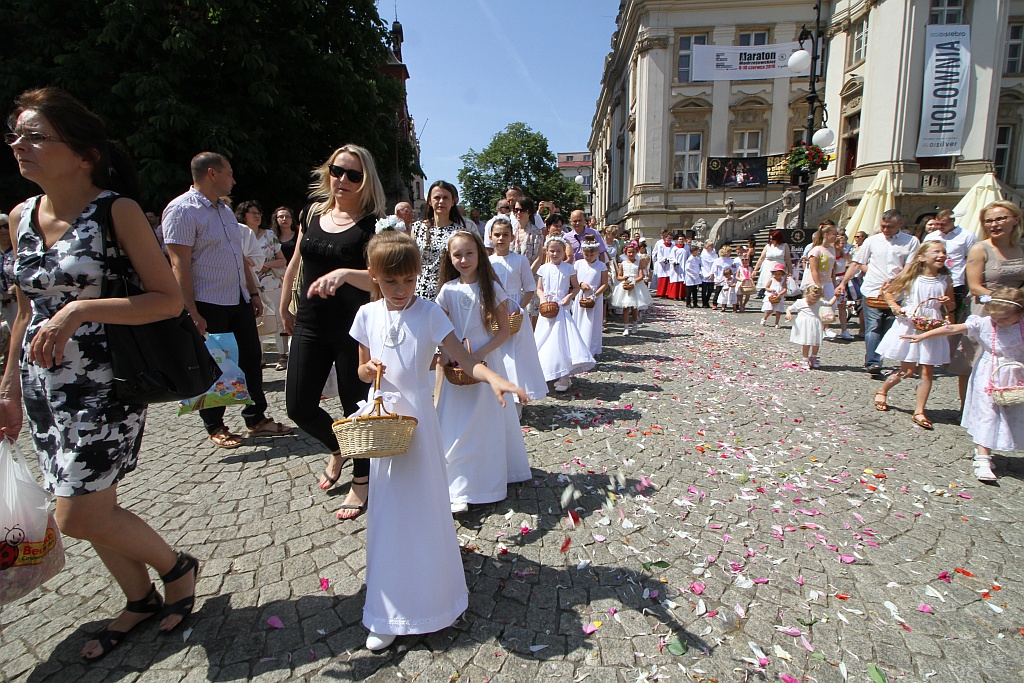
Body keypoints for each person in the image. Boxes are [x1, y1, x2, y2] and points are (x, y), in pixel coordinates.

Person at [0, 87, 197, 660]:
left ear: (83, 153)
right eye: (16, 133)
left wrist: (80, 308)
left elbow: (166, 300)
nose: (19, 144)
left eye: (36, 136)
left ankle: (176, 567)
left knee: (78, 512)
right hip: (42, 389)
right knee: (92, 507)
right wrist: (9, 387)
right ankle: (139, 598)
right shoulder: (20, 217)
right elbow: (23, 311)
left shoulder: (117, 211)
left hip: (103, 384)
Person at [350, 231, 525, 650]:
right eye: (391, 282)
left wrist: (496, 378)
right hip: (384, 425)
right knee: (388, 512)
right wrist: (369, 367)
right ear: (375, 276)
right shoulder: (367, 315)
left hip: (421, 427)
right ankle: (387, 610)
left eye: (408, 281)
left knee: (427, 508)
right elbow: (358, 371)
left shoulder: (429, 312)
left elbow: (463, 359)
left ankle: (436, 600)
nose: (400, 289)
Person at [278, 144, 382, 520]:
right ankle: (339, 448)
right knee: (299, 406)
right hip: (309, 320)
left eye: (354, 175)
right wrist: (284, 304)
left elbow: (381, 278)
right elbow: (297, 260)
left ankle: (362, 478)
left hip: (353, 327)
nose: (343, 180)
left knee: (356, 408)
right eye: (338, 171)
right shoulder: (313, 211)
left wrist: (344, 274)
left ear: (366, 180)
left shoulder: (374, 223)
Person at [163, 153, 291, 448]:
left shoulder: (223, 211)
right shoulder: (182, 210)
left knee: (251, 360)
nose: (233, 180)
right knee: (214, 364)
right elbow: (179, 264)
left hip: (238, 299)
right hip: (207, 302)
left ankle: (256, 418)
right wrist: (191, 311)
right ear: (211, 173)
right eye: (229, 174)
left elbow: (239, 258)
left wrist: (254, 292)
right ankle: (214, 424)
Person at [435, 230, 529, 513]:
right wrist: (450, 354)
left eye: (469, 253)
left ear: (479, 254)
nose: (464, 259)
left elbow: (503, 332)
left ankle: (487, 478)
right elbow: (440, 328)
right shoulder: (447, 290)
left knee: (483, 422)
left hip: (486, 358)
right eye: (457, 255)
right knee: (457, 424)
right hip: (457, 361)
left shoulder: (492, 288)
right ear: (450, 259)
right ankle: (458, 485)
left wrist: (480, 353)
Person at [902, 287, 1024, 481]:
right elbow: (954, 328)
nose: (999, 323)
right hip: (989, 374)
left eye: (1005, 319)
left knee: (1015, 414)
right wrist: (923, 335)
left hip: (1017, 373)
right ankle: (983, 456)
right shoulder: (985, 323)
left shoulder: (1021, 326)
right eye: (996, 318)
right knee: (988, 412)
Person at [946, 202, 1022, 407]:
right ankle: (969, 407)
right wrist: (1004, 303)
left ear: (1015, 219)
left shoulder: (1021, 249)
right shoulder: (980, 249)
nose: (994, 224)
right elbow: (975, 287)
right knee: (975, 360)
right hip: (986, 308)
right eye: (988, 220)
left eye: (1000, 219)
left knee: (1011, 357)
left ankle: (1007, 399)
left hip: (1018, 312)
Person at [872, 240, 953, 427]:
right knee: (907, 371)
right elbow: (889, 292)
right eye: (936, 252)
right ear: (922, 257)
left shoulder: (945, 280)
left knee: (927, 370)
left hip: (931, 325)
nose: (941, 255)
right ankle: (883, 389)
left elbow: (951, 306)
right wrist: (895, 307)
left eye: (943, 252)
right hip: (910, 323)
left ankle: (919, 411)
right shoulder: (912, 277)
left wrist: (947, 302)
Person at [835, 209, 920, 373]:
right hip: (873, 288)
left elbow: (910, 266)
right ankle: (873, 362)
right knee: (873, 327)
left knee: (888, 327)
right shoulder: (872, 241)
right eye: (883, 226)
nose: (885, 229)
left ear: (900, 224)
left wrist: (896, 280)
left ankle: (881, 356)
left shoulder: (911, 241)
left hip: (896, 292)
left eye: (890, 226)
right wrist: (843, 283)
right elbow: (857, 262)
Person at [488, 218, 548, 406]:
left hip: (514, 313)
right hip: (494, 312)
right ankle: (497, 396)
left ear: (512, 237)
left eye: (505, 235)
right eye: (497, 235)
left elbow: (529, 289)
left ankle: (517, 399)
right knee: (498, 355)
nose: (501, 238)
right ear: (490, 237)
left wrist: (519, 309)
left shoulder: (520, 260)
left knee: (516, 356)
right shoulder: (487, 262)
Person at [535, 236, 595, 391]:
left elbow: (576, 287)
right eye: (552, 251)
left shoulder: (569, 268)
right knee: (545, 341)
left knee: (562, 340)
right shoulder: (544, 268)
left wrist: (569, 296)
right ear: (547, 252)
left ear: (564, 253)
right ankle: (546, 371)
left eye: (558, 251)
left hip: (561, 308)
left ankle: (564, 376)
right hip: (547, 308)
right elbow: (539, 288)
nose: (555, 254)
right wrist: (542, 298)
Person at [237, 200, 289, 370]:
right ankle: (259, 357)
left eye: (258, 213)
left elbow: (282, 260)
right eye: (252, 213)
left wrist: (266, 265)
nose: (257, 216)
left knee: (278, 319)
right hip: (248, 283)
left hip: (271, 283)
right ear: (244, 215)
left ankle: (283, 356)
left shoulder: (268, 235)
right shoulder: (238, 233)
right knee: (254, 321)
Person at [411, 180, 466, 300]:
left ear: (452, 202)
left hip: (446, 292)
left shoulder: (459, 232)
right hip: (418, 291)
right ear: (430, 201)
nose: (441, 201)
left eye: (446, 197)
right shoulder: (417, 228)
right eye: (437, 197)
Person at [573, 239, 608, 356]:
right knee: (579, 320)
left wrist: (594, 295)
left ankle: (592, 349)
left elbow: (604, 284)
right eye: (586, 254)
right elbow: (574, 279)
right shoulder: (578, 264)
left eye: (591, 255)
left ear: (597, 253)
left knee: (592, 322)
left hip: (595, 296)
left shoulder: (601, 266)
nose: (588, 257)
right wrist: (581, 284)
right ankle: (579, 347)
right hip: (581, 295)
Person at [612, 240, 653, 334]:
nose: (631, 254)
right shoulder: (623, 263)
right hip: (625, 285)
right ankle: (626, 327)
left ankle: (635, 325)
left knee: (634, 307)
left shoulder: (638, 263)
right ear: (626, 252)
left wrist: (634, 282)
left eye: (633, 252)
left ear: (636, 252)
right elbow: (618, 276)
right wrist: (623, 278)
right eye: (629, 252)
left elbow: (641, 275)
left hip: (635, 285)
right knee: (625, 307)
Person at [786, 284, 825, 369]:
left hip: (815, 323)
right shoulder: (800, 302)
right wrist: (788, 313)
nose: (812, 302)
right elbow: (789, 308)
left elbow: (829, 304)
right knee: (806, 343)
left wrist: (836, 296)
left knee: (816, 343)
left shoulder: (818, 302)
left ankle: (813, 357)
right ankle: (805, 359)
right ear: (806, 294)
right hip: (805, 325)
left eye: (814, 301)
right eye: (810, 300)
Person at [752, 229, 793, 296]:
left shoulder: (784, 246)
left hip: (779, 266)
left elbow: (788, 259)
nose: (771, 240)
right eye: (770, 239)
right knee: (768, 284)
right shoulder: (768, 246)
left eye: (773, 239)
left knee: (778, 284)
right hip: (768, 267)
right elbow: (761, 258)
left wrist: (790, 271)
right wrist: (755, 269)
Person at [830, 230, 855, 340]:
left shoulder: (845, 255)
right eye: (841, 243)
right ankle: (825, 327)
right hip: (833, 281)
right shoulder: (831, 256)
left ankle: (844, 329)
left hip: (842, 281)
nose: (843, 246)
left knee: (842, 306)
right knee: (829, 306)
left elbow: (851, 264)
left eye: (844, 243)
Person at [710, 245, 737, 309]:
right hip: (719, 277)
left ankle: (725, 304)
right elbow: (713, 268)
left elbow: (733, 270)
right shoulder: (717, 260)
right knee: (718, 291)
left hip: (727, 278)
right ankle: (714, 303)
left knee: (727, 292)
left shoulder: (731, 260)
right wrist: (712, 274)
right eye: (729, 252)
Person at [651, 230, 674, 297]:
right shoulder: (660, 244)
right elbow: (658, 254)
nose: (669, 239)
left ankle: (668, 293)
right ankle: (661, 292)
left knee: (669, 278)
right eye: (668, 237)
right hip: (662, 263)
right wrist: (663, 260)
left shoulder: (673, 245)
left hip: (670, 263)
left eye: (670, 238)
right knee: (662, 278)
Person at [669, 233, 689, 301]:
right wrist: (674, 262)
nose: (681, 240)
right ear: (677, 240)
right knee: (676, 279)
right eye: (680, 239)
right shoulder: (674, 248)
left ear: (684, 240)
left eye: (682, 239)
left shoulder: (687, 247)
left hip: (684, 265)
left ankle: (682, 295)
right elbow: (671, 257)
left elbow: (688, 256)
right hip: (677, 266)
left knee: (683, 280)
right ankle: (675, 295)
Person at [684, 239, 702, 308]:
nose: (698, 252)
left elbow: (698, 267)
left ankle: (695, 303)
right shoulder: (690, 259)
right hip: (690, 277)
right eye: (697, 251)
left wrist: (699, 273)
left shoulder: (697, 259)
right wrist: (694, 275)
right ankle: (688, 303)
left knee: (695, 292)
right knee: (689, 292)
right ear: (694, 252)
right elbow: (688, 269)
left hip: (696, 277)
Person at [699, 241, 718, 308]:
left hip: (712, 273)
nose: (711, 248)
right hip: (704, 272)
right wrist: (701, 272)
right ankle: (704, 302)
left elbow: (715, 264)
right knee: (704, 289)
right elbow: (701, 264)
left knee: (710, 289)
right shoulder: (702, 255)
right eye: (710, 246)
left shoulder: (714, 255)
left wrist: (712, 273)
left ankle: (707, 300)